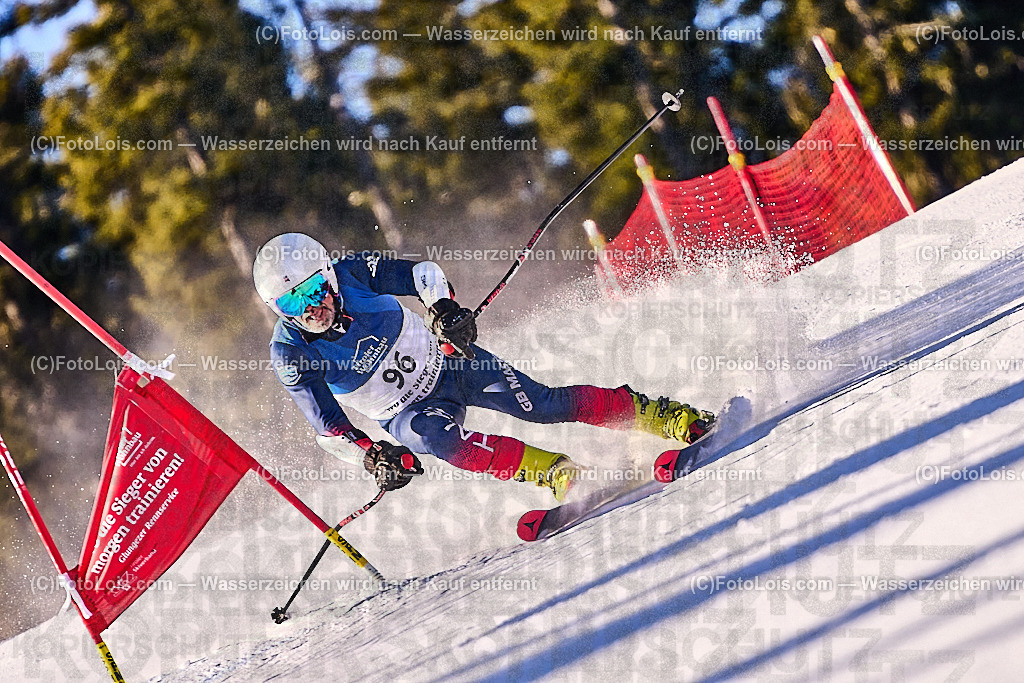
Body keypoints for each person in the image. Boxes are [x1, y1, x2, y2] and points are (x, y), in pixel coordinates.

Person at [253, 233, 715, 501]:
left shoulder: (352, 271)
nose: (309, 308)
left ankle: (659, 415)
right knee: (435, 439)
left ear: (329, 275)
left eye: (313, 290)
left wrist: (445, 311)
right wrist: (372, 456)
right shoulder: (290, 352)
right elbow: (327, 428)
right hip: (406, 413)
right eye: (291, 303)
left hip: (451, 365)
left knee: (542, 405)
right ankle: (554, 472)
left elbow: (423, 274)